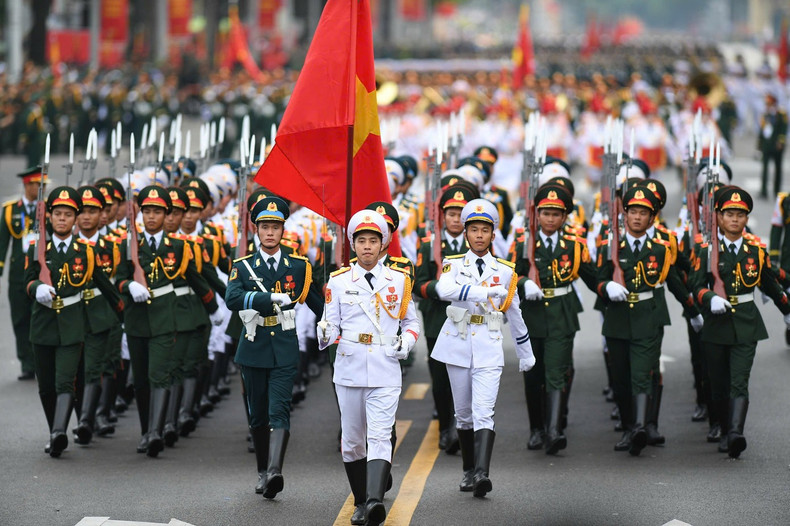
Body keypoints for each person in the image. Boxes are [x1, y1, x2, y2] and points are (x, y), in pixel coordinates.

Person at [318, 209, 419, 526]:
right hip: (348, 366)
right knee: (351, 442)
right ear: (352, 244)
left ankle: (375, 501)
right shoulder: (337, 282)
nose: (366, 247)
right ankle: (360, 500)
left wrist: (408, 341)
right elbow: (330, 327)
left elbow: (411, 322)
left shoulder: (399, 281)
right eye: (360, 240)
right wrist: (323, 332)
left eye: (372, 241)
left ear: (382, 244)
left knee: (379, 436)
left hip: (384, 366)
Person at [431, 198, 535, 497]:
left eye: (485, 230)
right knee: (463, 414)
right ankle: (467, 469)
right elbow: (444, 290)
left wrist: (525, 353)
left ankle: (481, 473)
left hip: (488, 344)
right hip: (457, 342)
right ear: (465, 233)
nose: (479, 235)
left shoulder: (504, 270)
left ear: (493, 234)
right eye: (474, 229)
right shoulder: (452, 264)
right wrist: (484, 291)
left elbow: (513, 312)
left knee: (483, 411)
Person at [225, 196, 323, 499]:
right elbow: (232, 299)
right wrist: (266, 300)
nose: (270, 233)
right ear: (256, 229)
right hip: (253, 346)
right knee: (258, 414)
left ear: (284, 230)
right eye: (265, 227)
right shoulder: (242, 266)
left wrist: (337, 324)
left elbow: (320, 305)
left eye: (275, 227)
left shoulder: (298, 266)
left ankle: (275, 470)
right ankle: (261, 470)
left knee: (280, 409)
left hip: (283, 345)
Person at [115, 185, 222, 457]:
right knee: (140, 380)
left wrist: (213, 306)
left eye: (158, 212)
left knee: (160, 375)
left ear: (166, 214)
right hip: (137, 320)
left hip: (165, 320)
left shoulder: (179, 246)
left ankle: (155, 432)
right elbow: (118, 279)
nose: (151, 217)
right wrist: (129, 286)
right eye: (147, 211)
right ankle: (144, 430)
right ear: (140, 212)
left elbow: (197, 279)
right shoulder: (130, 244)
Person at [689, 186, 790, 458]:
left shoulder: (755, 250)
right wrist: (709, 297)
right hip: (715, 324)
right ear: (719, 217)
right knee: (719, 382)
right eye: (729, 214)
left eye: (740, 215)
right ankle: (723, 427)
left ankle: (735, 433)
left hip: (746, 323)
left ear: (746, 219)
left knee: (739, 381)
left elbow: (769, 283)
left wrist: (787, 310)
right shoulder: (706, 248)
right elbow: (695, 284)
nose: (735, 220)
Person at [25, 186, 118, 457]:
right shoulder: (37, 248)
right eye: (57, 214)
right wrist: (36, 289)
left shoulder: (85, 252)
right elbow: (26, 280)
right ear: (50, 217)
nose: (62, 219)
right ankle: (54, 427)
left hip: (72, 326)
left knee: (65, 381)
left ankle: (58, 433)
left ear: (75, 218)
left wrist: (123, 317)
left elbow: (107, 288)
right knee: (45, 386)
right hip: (42, 325)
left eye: (68, 214)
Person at [596, 186, 689, 456]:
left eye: (643, 213)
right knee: (621, 378)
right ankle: (628, 427)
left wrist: (694, 307)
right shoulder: (611, 246)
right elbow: (598, 278)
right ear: (625, 214)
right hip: (617, 318)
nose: (637, 217)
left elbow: (674, 279)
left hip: (648, 316)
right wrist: (607, 288)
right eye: (632, 211)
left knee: (640, 374)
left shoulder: (661, 248)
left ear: (653, 217)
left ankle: (638, 427)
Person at [509, 184, 599, 454]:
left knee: (557, 371)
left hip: (561, 313)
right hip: (532, 316)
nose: (550, 218)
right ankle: (536, 429)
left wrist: (613, 290)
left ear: (564, 217)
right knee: (533, 374)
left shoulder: (574, 244)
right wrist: (524, 282)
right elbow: (511, 274)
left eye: (556, 214)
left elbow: (593, 277)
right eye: (545, 213)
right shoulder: (524, 242)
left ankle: (554, 429)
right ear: (537, 214)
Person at [413, 185, 477, 454]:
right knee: (440, 378)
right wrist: (434, 288)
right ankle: (445, 429)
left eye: (460, 213)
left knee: (465, 374)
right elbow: (417, 282)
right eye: (450, 212)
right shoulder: (429, 244)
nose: (454, 218)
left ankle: (465, 428)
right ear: (442, 215)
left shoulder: (476, 243)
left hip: (468, 319)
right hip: (438, 317)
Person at [73, 185, 124, 444]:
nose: (86, 216)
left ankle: (96, 416)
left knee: (104, 365)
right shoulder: (65, 245)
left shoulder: (113, 245)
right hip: (73, 313)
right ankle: (84, 415)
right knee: (75, 371)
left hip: (105, 312)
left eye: (93, 211)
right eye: (80, 211)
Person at [0, 166, 47, 380]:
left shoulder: (47, 209)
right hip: (18, 273)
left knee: (40, 318)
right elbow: (2, 242)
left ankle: (41, 360)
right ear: (27, 185)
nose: (40, 189)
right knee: (20, 318)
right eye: (37, 185)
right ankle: (26, 363)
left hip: (40, 272)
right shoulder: (10, 210)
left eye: (43, 185)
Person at [757, 92, 787, 199]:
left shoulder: (781, 114)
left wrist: (781, 141)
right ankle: (763, 190)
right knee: (764, 168)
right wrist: (759, 145)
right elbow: (761, 131)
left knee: (778, 169)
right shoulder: (765, 115)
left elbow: (784, 128)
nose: (767, 106)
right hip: (767, 145)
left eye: (769, 104)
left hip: (777, 146)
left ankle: (776, 191)